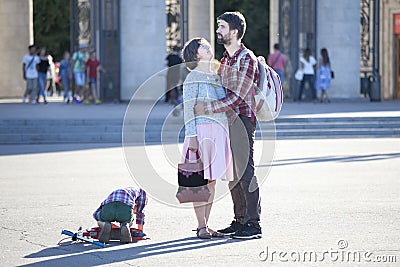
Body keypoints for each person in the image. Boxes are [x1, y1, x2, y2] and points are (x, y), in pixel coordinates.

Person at [195, 11, 262, 239]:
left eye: (222, 27)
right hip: (228, 121)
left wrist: (208, 108)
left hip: (242, 120)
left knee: (246, 171)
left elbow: (239, 97)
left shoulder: (246, 59)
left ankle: (253, 224)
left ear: (234, 32)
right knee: (233, 173)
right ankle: (240, 220)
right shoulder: (226, 59)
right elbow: (221, 89)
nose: (218, 31)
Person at [181, 37, 233, 239]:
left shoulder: (215, 75)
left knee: (211, 181)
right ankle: (201, 226)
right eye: (203, 45)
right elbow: (188, 109)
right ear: (195, 54)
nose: (208, 46)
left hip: (219, 131)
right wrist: (191, 136)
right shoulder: (192, 77)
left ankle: (207, 224)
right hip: (201, 132)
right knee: (199, 181)